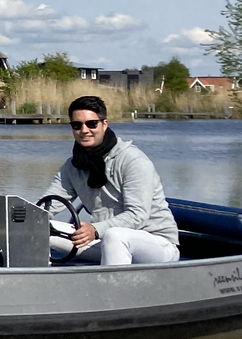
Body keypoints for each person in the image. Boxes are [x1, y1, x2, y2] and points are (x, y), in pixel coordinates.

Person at [41, 95, 180, 266]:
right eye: (77, 125)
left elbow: (137, 216)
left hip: (157, 244)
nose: (84, 130)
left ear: (104, 124)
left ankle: (113, 291)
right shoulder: (72, 166)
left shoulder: (133, 160)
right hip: (104, 241)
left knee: (116, 235)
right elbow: (44, 207)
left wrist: (95, 229)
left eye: (91, 124)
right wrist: (12, 219)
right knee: (39, 228)